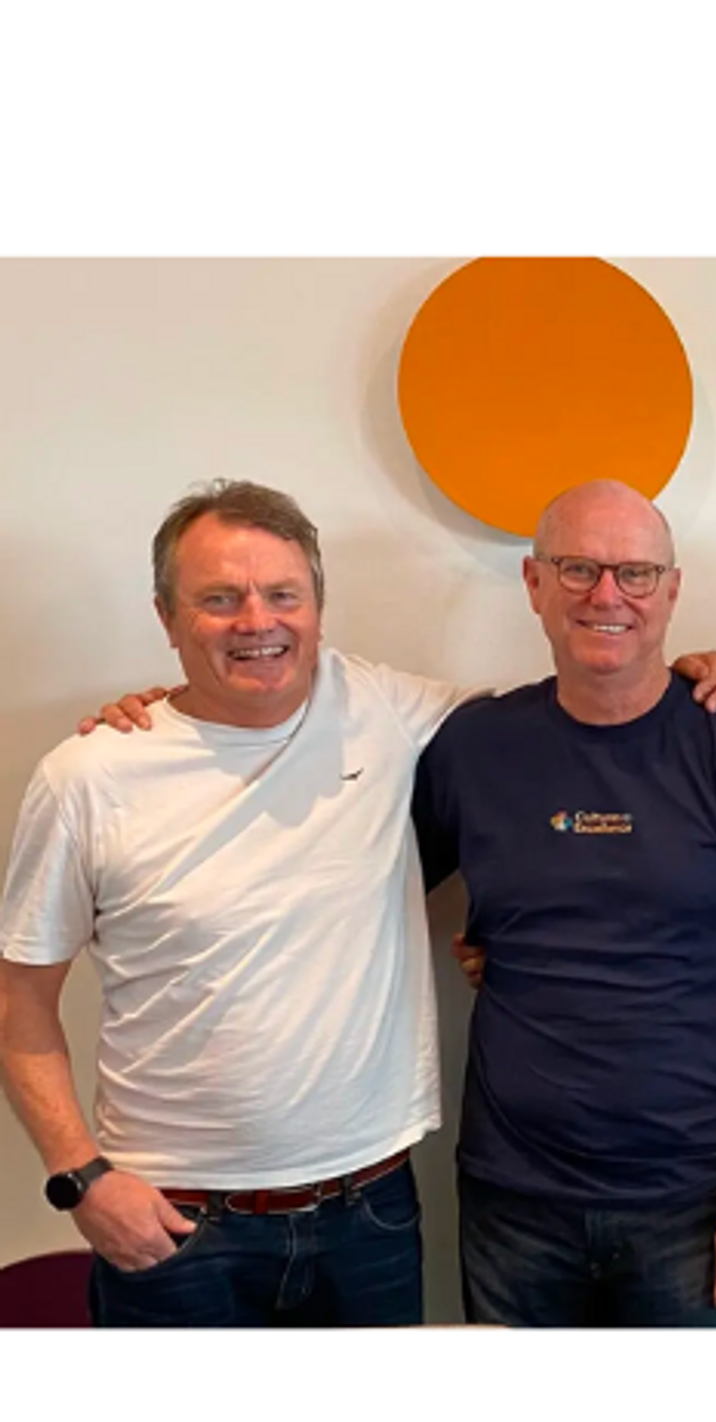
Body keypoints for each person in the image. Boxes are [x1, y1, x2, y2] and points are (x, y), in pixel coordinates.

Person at [0, 480, 460, 1325]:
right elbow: (17, 998)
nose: (258, 622)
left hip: (372, 1211)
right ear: (167, 618)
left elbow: (570, 716)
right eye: (219, 600)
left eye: (283, 594)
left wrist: (699, 675)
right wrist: (81, 1179)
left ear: (319, 608)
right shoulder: (90, 777)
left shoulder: (384, 710)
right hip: (173, 1225)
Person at [411, 479, 716, 1329]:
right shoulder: (475, 748)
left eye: (635, 574)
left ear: (671, 592)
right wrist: (198, 714)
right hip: (514, 1202)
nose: (607, 595)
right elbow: (355, 896)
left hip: (699, 1203)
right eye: (578, 568)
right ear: (533, 584)